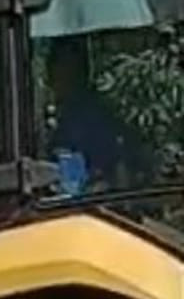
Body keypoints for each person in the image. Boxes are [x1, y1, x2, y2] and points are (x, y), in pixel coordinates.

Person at [45, 41, 140, 190]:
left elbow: (116, 166)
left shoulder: (92, 118)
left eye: (65, 71)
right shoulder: (63, 116)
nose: (53, 80)